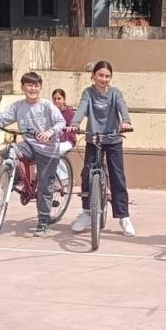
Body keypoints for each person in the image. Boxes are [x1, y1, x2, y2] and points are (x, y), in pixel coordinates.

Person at [0, 72, 65, 237]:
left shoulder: (47, 106)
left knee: (44, 186)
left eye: (36, 85)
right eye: (29, 85)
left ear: (40, 87)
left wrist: (50, 132)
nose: (33, 89)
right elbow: (2, 119)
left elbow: (61, 122)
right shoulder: (18, 106)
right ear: (23, 87)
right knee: (9, 150)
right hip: (30, 145)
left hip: (48, 150)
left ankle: (43, 221)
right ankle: (14, 177)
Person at [67, 61, 135, 236]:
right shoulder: (88, 93)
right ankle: (87, 212)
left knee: (117, 177)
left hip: (113, 139)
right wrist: (75, 123)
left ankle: (123, 216)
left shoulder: (115, 93)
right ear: (93, 76)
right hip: (94, 139)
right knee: (87, 175)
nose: (103, 79)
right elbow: (82, 108)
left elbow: (122, 107)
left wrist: (126, 121)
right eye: (100, 75)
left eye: (107, 76)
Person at [52, 88, 76, 185]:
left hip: (67, 140)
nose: (56, 101)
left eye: (59, 98)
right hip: (54, 141)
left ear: (64, 99)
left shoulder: (69, 112)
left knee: (55, 151)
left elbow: (72, 127)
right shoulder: (50, 112)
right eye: (54, 99)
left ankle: (65, 178)